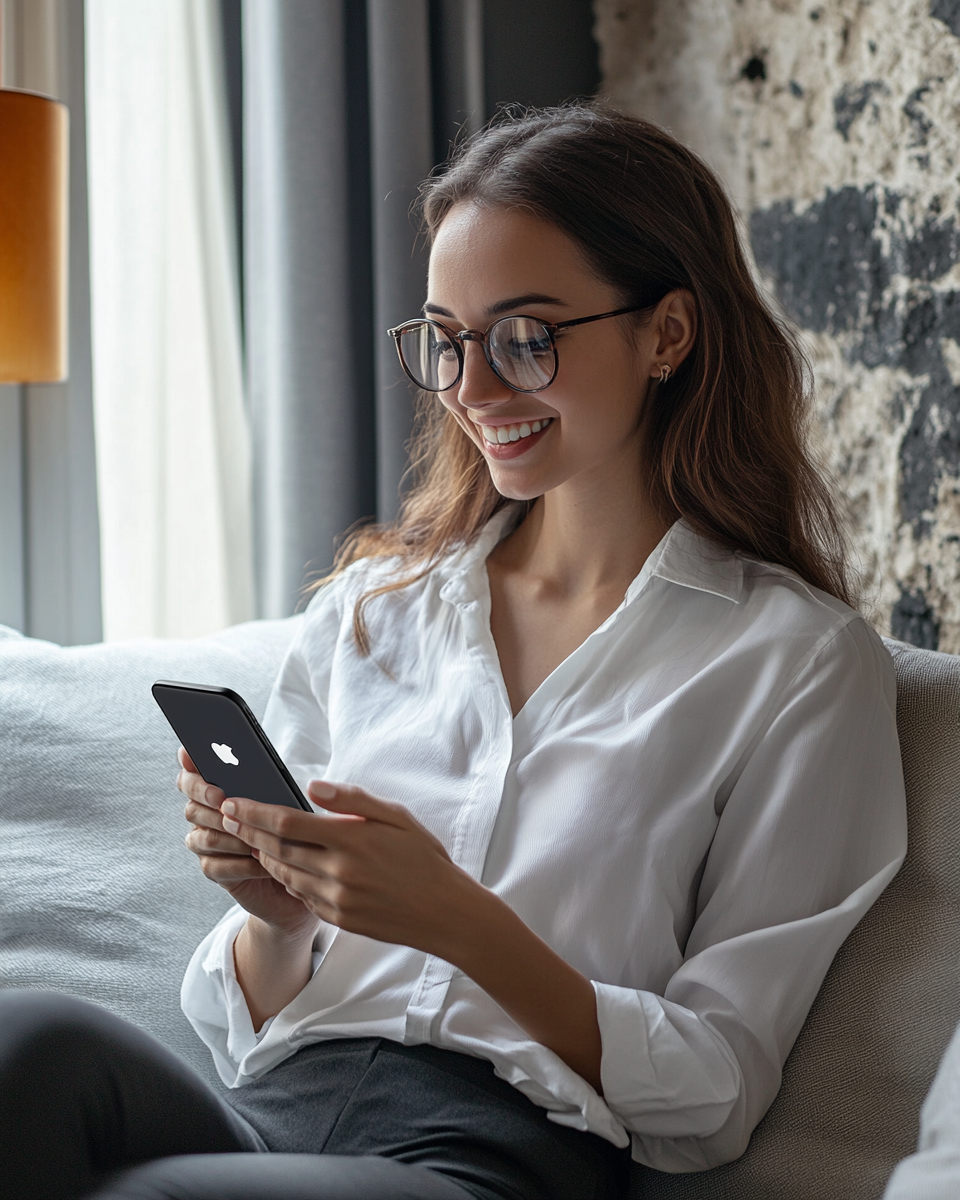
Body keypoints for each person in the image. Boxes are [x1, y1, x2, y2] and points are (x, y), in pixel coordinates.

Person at [0, 104, 907, 1200]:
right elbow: (244, 1025)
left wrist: (458, 922)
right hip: (271, 1114)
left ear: (666, 333)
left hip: (489, 1161)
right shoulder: (374, 611)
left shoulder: (794, 663)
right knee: (27, 1042)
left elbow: (716, 1091)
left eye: (527, 338)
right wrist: (277, 912)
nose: (473, 391)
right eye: (448, 340)